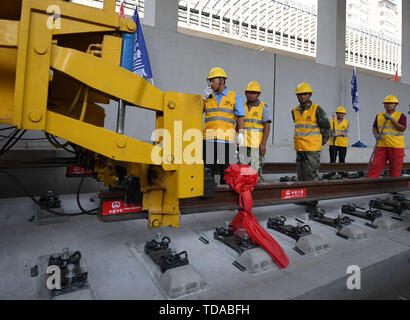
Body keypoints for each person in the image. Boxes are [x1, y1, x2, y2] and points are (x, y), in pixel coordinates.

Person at [203, 67, 245, 186]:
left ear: (222, 80)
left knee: (227, 173)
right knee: (207, 171)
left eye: (213, 80)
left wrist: (241, 134)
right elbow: (198, 111)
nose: (210, 83)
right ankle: (208, 198)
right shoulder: (208, 96)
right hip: (209, 139)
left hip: (226, 140)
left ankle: (226, 199)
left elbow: (240, 117)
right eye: (209, 81)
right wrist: (204, 99)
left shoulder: (234, 97)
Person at [292, 82, 330, 210]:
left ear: (309, 95)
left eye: (304, 94)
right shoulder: (294, 111)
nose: (302, 96)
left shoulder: (317, 109)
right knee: (301, 175)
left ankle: (313, 202)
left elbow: (326, 128)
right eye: (300, 94)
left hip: (312, 149)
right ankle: (304, 199)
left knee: (311, 175)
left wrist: (319, 142)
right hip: (300, 147)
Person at [238, 81, 272, 183]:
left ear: (258, 94)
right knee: (243, 173)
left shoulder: (263, 107)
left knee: (256, 173)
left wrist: (263, 144)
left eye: (254, 92)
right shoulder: (241, 106)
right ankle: (246, 197)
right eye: (249, 92)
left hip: (256, 146)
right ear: (245, 93)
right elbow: (238, 125)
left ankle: (258, 197)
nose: (251, 95)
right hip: (243, 145)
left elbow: (267, 126)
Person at [366, 95, 406, 178]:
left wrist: (392, 120)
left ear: (395, 105)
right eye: (386, 103)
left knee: (395, 167)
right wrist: (376, 134)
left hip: (396, 146)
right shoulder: (379, 115)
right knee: (376, 165)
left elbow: (402, 128)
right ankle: (370, 183)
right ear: (384, 105)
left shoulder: (401, 116)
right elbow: (375, 127)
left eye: (391, 103)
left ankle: (393, 185)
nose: (388, 105)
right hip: (381, 145)